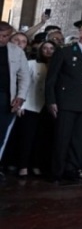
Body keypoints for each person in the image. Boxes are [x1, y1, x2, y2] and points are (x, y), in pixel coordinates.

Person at [45, 17, 82, 185]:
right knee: (62, 138)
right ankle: (57, 171)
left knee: (79, 138)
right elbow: (52, 79)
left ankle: (72, 169)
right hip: (66, 102)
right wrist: (51, 101)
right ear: (81, 32)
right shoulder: (65, 50)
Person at [14, 41, 55, 178]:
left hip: (48, 107)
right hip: (31, 105)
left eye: (51, 48)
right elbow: (23, 84)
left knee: (41, 138)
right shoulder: (32, 64)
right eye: (45, 48)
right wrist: (21, 104)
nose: (48, 51)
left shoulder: (57, 66)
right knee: (27, 138)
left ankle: (36, 164)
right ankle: (23, 166)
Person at [0, 22, 31, 176]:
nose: (2, 39)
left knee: (1, 133)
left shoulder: (17, 52)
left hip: (6, 98)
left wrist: (20, 97)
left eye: (6, 36)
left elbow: (25, 76)